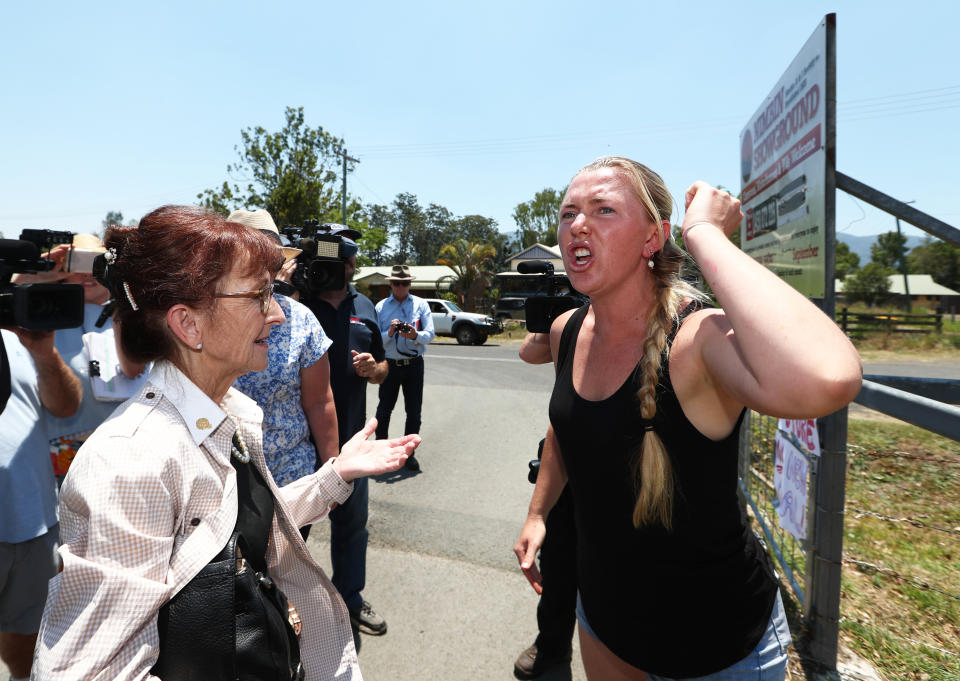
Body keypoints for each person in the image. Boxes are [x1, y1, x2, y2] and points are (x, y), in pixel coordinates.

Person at [33, 205, 420, 681]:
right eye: (258, 295)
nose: (277, 314)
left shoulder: (227, 413)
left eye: (273, 292)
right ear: (188, 324)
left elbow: (229, 532)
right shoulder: (130, 463)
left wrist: (333, 476)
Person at [513, 157, 862, 681]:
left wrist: (705, 235)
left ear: (653, 237)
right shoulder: (567, 330)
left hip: (718, 647)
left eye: (603, 209)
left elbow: (828, 377)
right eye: (568, 214)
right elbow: (567, 428)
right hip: (604, 621)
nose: (577, 226)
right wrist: (538, 513)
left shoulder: (696, 339)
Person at [300, 224, 391, 641]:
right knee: (289, 530)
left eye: (343, 263)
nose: (339, 270)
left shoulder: (367, 307)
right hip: (297, 447)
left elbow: (385, 369)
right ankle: (283, 608)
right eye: (329, 264)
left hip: (352, 443)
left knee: (352, 527)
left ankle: (350, 600)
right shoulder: (296, 304)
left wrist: (374, 369)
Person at [229, 210, 339, 501]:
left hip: (290, 479)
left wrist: (333, 474)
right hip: (221, 481)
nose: (262, 269)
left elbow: (319, 402)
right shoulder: (204, 316)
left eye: (271, 261)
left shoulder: (300, 318)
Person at [0, 327, 82, 681]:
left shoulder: (16, 334)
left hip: (36, 525)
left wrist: (45, 355)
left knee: (29, 646)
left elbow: (66, 405)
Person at [513, 336, 578, 679]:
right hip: (571, 446)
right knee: (558, 560)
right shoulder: (573, 322)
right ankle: (553, 645)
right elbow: (528, 352)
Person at [374, 264, 435, 471]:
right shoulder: (381, 307)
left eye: (405, 283)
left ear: (410, 284)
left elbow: (430, 335)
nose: (401, 287)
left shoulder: (421, 304)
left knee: (414, 412)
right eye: (397, 283)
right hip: (390, 365)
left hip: (414, 365)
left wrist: (415, 335)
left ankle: (409, 454)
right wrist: (390, 332)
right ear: (391, 284)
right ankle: (380, 451)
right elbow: (375, 341)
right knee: (384, 410)